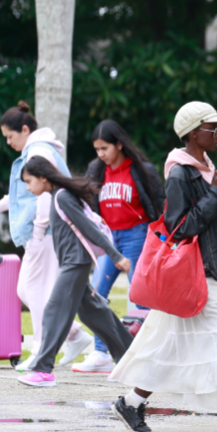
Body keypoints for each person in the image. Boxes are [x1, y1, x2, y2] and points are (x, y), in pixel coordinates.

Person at [109, 101, 217, 432]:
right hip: (193, 273)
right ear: (194, 132)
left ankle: (130, 402)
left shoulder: (206, 167)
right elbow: (180, 226)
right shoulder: (180, 172)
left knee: (167, 344)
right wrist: (215, 193)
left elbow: (212, 217)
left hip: (203, 272)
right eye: (213, 128)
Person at [0, 101, 91, 370]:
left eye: (10, 136)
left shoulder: (37, 152)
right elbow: (23, 193)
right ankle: (73, 334)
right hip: (45, 232)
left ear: (25, 129)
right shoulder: (39, 149)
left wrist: (39, 232)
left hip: (45, 233)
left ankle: (41, 351)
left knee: (34, 290)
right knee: (32, 290)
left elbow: (44, 195)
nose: (8, 142)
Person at [14, 157, 135, 387]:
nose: (28, 188)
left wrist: (115, 255)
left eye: (29, 182)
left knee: (54, 310)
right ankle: (131, 358)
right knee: (95, 313)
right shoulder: (58, 195)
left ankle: (43, 370)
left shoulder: (61, 196)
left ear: (42, 178)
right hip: (73, 262)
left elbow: (87, 228)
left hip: (75, 263)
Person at [78, 120, 165, 374]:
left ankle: (146, 352)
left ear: (119, 144)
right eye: (96, 149)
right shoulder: (96, 170)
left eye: (104, 148)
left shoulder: (141, 170)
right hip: (108, 238)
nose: (100, 154)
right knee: (96, 294)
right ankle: (100, 352)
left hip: (136, 235)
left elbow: (158, 203)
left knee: (139, 294)